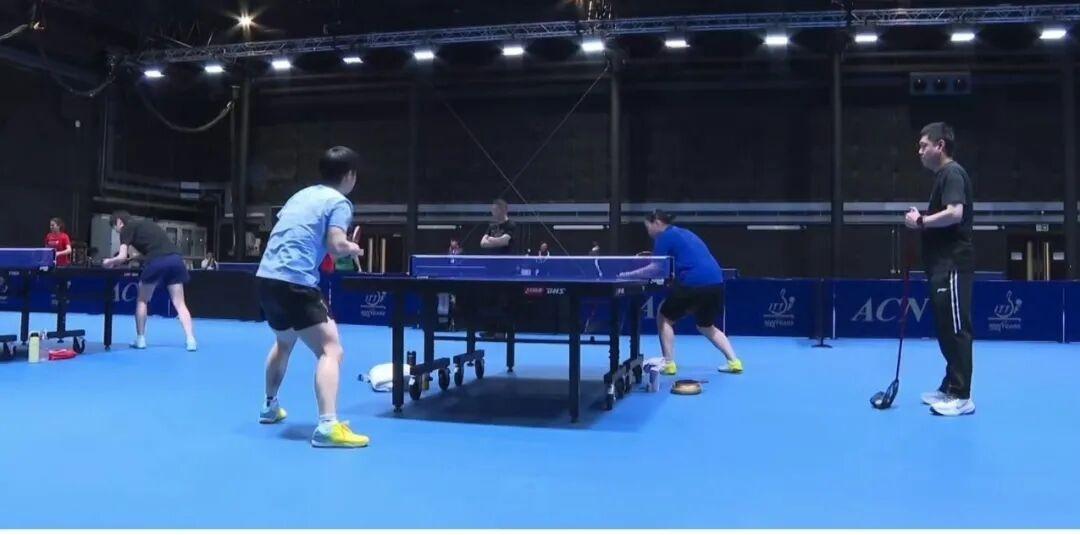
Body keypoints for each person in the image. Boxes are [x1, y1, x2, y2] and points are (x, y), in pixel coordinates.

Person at [254, 146, 369, 448]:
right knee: (331, 350)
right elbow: (335, 245)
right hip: (296, 281)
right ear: (349, 175)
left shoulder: (300, 196)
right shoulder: (340, 202)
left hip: (267, 277)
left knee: (284, 342)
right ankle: (328, 427)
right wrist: (353, 248)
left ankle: (269, 407)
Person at [907, 122, 976, 417]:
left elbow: (955, 213)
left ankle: (962, 396)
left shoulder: (952, 173)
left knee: (957, 328)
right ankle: (950, 386)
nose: (919, 151)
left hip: (953, 264)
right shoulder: (942, 177)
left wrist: (922, 221)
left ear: (940, 146)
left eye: (924, 145)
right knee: (946, 328)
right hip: (939, 265)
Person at [622, 210, 742, 375]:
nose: (648, 231)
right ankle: (734, 362)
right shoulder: (685, 233)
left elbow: (656, 268)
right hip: (716, 282)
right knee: (706, 325)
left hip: (695, 282)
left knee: (664, 317)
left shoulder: (663, 237)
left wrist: (628, 275)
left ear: (657, 223)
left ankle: (669, 363)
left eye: (648, 227)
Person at [102, 211, 197, 351]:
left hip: (157, 262)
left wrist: (109, 262)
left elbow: (121, 257)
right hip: (176, 260)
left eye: (114, 227)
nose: (116, 231)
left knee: (142, 300)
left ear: (119, 222)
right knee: (180, 303)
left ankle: (140, 339)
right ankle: (191, 340)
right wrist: (138, 256)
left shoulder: (126, 229)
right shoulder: (147, 224)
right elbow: (155, 246)